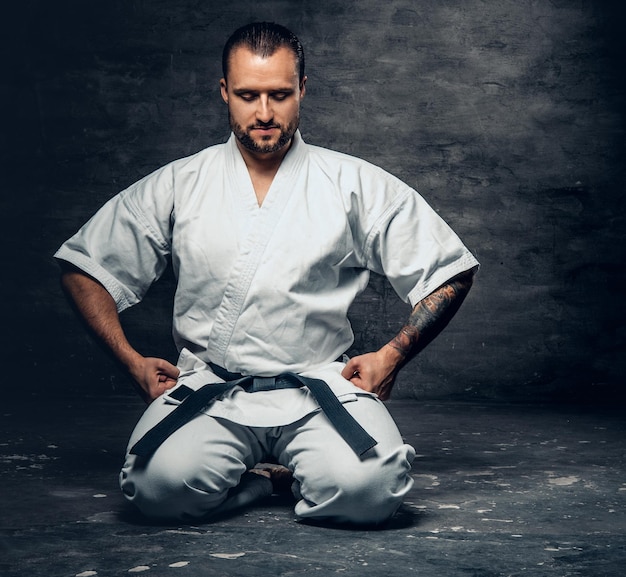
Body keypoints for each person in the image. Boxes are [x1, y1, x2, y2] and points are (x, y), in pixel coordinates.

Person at [55, 22, 479, 526]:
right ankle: (265, 482)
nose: (263, 113)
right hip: (211, 389)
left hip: (320, 386)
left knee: (371, 491)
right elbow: (83, 267)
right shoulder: (181, 183)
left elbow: (449, 270)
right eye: (247, 95)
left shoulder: (350, 183)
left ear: (302, 89)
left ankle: (297, 472)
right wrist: (131, 361)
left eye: (279, 94)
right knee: (156, 490)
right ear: (223, 92)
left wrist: (393, 356)